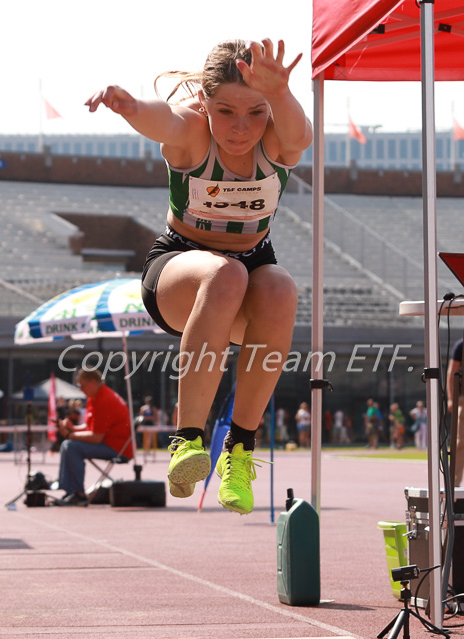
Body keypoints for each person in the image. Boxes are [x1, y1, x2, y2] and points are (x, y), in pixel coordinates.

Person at [86, 39, 312, 514]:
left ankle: (239, 451)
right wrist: (126, 106)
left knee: (280, 288)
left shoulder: (275, 136)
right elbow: (161, 120)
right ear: (204, 102)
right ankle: (188, 440)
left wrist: (283, 93)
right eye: (226, 111)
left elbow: (301, 136)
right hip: (179, 270)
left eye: (255, 112)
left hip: (250, 266)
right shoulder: (191, 130)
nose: (240, 128)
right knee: (225, 274)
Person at [56, 368, 133, 505]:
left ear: (92, 382)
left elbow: (96, 437)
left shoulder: (105, 400)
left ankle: (78, 494)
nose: (80, 389)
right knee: (68, 445)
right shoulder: (95, 397)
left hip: (117, 448)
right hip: (109, 443)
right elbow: (91, 427)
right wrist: (73, 428)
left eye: (81, 385)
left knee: (71, 446)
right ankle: (71, 491)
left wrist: (70, 435)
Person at [447, 322, 464, 485]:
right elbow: (452, 372)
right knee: (461, 441)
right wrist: (451, 398)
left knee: (461, 442)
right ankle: (453, 486)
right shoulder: (463, 344)